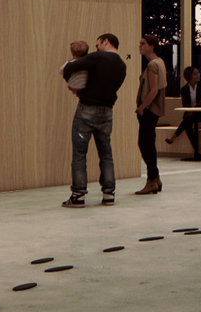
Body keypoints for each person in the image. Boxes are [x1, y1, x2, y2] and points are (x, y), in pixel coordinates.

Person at [61, 31, 127, 206]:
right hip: (107, 113)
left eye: (97, 44)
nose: (96, 48)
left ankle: (78, 195)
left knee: (79, 154)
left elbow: (70, 67)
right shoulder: (122, 65)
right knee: (106, 153)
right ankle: (109, 194)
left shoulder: (98, 57)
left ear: (106, 42)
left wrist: (74, 83)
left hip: (86, 111)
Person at [133, 36, 166, 195]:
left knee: (145, 144)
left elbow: (153, 90)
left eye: (143, 43)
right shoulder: (159, 62)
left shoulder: (153, 65)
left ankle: (152, 179)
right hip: (153, 110)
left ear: (152, 46)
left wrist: (141, 107)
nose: (140, 46)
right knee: (147, 143)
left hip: (149, 110)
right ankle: (155, 177)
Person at [164, 64, 201, 157]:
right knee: (188, 124)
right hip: (189, 114)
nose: (198, 75)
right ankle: (197, 150)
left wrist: (193, 110)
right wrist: (189, 110)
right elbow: (185, 103)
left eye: (198, 73)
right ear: (189, 77)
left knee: (187, 121)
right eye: (195, 74)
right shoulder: (184, 89)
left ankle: (174, 137)